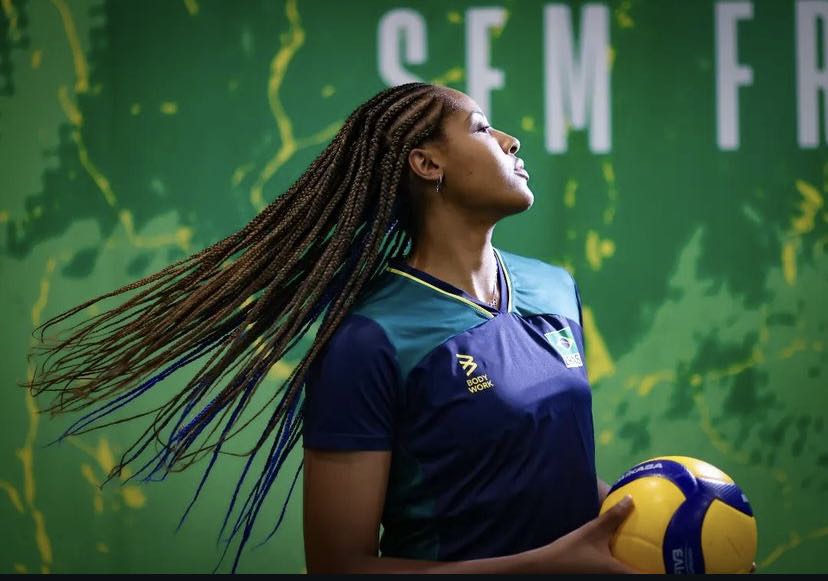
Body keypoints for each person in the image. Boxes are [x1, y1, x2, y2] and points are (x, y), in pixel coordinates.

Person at [23, 82, 633, 574]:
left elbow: (536, 467)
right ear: (428, 163)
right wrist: (547, 566)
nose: (509, 139)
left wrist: (645, 503)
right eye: (480, 127)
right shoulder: (369, 339)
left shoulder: (554, 287)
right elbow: (340, 566)